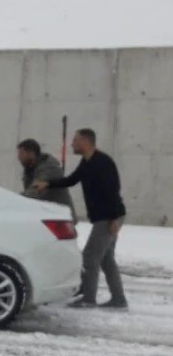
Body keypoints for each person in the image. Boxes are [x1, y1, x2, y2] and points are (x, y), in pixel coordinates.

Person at [33, 128, 128, 309]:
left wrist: (113, 218)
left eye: (75, 141)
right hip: (107, 216)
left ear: (85, 142)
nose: (72, 144)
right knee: (106, 259)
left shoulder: (102, 162)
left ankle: (89, 299)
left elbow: (112, 190)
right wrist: (48, 183)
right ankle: (119, 299)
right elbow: (71, 180)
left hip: (108, 216)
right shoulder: (87, 163)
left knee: (90, 258)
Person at [16, 138, 75, 220]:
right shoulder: (31, 169)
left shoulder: (48, 168)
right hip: (49, 216)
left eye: (21, 153)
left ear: (32, 153)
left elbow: (34, 192)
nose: (18, 157)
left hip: (61, 218)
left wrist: (12, 199)